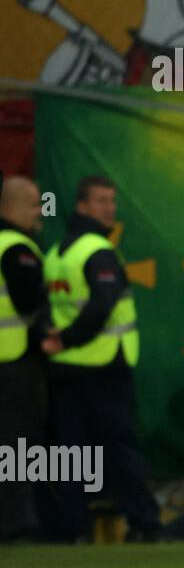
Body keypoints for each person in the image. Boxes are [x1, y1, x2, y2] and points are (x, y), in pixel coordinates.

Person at [43, 175, 162, 542]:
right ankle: (144, 523)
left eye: (112, 200)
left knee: (71, 451)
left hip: (66, 367)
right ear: (81, 206)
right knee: (121, 447)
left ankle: (71, 528)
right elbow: (103, 304)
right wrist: (68, 338)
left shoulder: (57, 252)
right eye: (100, 201)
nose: (109, 208)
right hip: (104, 364)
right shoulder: (98, 250)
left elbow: (51, 307)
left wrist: (59, 340)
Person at [0, 176, 50, 541]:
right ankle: (19, 525)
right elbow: (33, 304)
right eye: (34, 205)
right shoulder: (18, 248)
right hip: (15, 364)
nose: (40, 212)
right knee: (18, 448)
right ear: (11, 207)